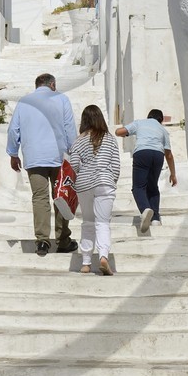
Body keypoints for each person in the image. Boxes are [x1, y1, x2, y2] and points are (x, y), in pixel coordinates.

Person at [6, 73, 78, 255]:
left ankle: (42, 241)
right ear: (52, 84)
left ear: (37, 85)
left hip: (34, 158)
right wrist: (74, 153)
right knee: (61, 195)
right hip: (59, 157)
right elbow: (69, 127)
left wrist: (13, 154)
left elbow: (13, 130)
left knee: (39, 197)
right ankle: (62, 240)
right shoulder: (61, 98)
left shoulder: (24, 102)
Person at [68, 104, 121, 275]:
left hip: (83, 185)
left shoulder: (78, 141)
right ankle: (103, 256)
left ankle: (85, 262)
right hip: (104, 183)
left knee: (88, 222)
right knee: (103, 222)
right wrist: (110, 180)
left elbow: (74, 165)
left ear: (84, 121)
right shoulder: (110, 138)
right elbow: (116, 166)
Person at [116, 108, 177, 233]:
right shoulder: (163, 130)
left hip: (142, 153)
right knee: (153, 187)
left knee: (138, 187)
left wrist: (123, 132)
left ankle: (145, 210)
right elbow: (169, 155)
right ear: (161, 120)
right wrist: (173, 174)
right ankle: (155, 219)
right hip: (158, 156)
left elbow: (119, 132)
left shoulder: (140, 123)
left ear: (148, 116)